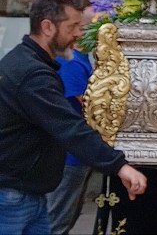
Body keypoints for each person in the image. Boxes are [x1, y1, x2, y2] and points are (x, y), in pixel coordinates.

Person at [0, 0, 147, 235]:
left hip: (26, 192)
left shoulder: (27, 61)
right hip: (12, 196)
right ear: (47, 27)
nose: (79, 33)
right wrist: (119, 165)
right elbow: (68, 126)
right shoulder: (33, 74)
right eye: (72, 26)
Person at [45, 17, 95, 235]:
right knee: (57, 220)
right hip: (69, 154)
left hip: (76, 150)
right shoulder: (72, 62)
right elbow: (90, 107)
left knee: (65, 217)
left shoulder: (80, 59)